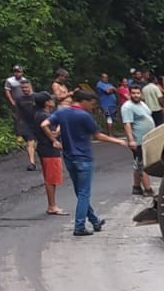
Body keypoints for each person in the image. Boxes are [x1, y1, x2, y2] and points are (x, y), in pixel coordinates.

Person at [48, 88, 128, 236]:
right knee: (84, 193)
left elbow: (44, 123)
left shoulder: (62, 112)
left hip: (68, 157)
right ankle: (79, 226)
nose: (93, 106)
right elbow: (98, 135)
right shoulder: (84, 116)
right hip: (83, 157)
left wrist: (53, 138)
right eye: (91, 103)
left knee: (80, 192)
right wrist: (118, 141)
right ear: (84, 101)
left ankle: (94, 220)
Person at [32, 92, 67, 215]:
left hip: (43, 148)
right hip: (49, 149)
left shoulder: (38, 114)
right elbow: (54, 133)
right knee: (51, 179)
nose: (52, 101)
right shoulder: (44, 116)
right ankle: (52, 206)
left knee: (49, 178)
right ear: (46, 102)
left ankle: (52, 205)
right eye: (50, 99)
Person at [120, 87, 156, 197]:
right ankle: (148, 189)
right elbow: (127, 124)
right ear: (130, 94)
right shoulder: (127, 107)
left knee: (138, 163)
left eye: (138, 93)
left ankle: (136, 187)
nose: (136, 95)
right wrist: (131, 140)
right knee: (142, 164)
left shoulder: (142, 104)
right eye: (133, 93)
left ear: (141, 94)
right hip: (138, 140)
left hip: (147, 138)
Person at [5, 66, 37, 169]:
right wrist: (20, 126)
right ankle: (32, 163)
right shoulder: (19, 99)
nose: (24, 89)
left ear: (30, 87)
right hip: (27, 123)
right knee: (30, 142)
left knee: (41, 143)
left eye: (26, 87)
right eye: (22, 88)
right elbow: (18, 114)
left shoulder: (36, 97)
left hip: (37, 122)